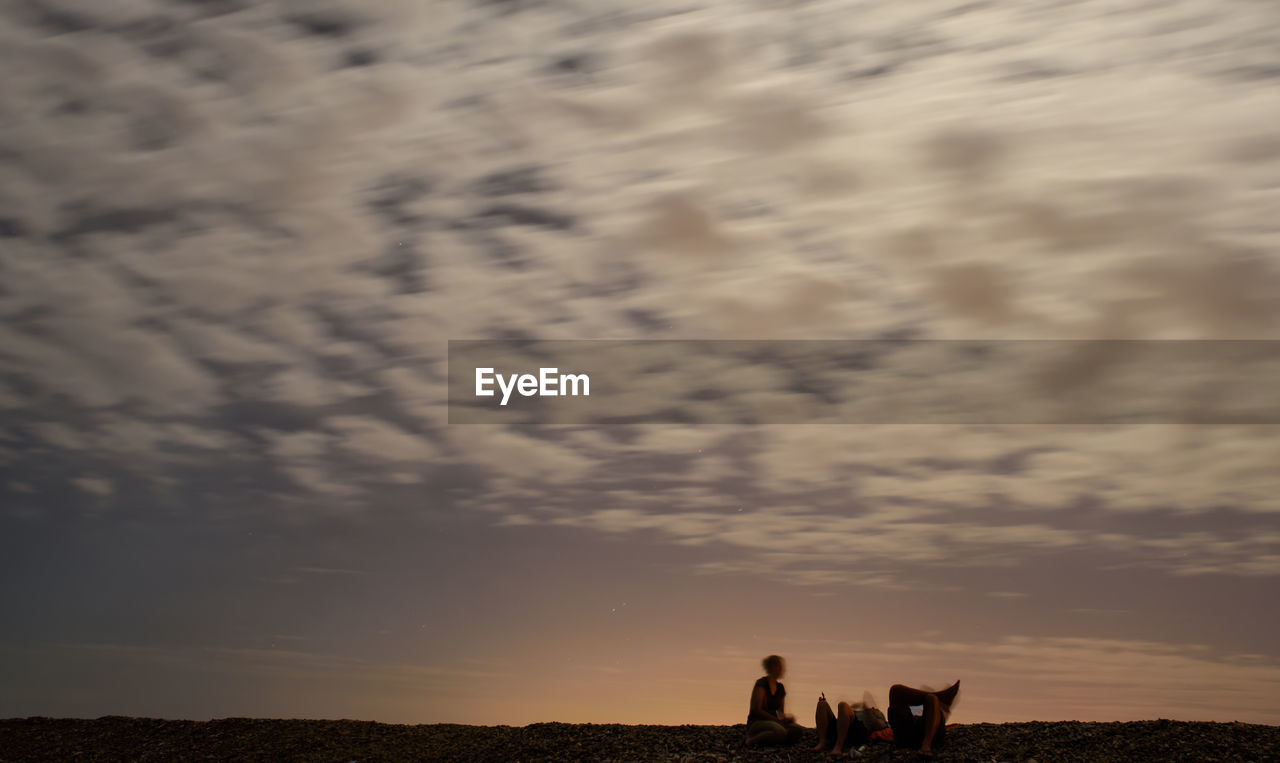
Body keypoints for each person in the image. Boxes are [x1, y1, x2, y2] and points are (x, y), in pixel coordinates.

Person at [885, 680, 960, 757]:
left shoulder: (935, 711)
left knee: (932, 698)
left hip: (931, 733)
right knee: (896, 690)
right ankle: (940, 696)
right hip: (907, 735)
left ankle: (926, 744)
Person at [744, 654, 805, 747]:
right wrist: (776, 720)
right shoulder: (762, 683)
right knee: (779, 731)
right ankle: (753, 740)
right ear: (773, 667)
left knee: (797, 730)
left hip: (775, 722)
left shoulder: (780, 688)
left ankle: (775, 738)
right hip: (758, 722)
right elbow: (757, 710)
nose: (782, 670)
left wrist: (786, 719)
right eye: (780, 666)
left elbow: (780, 712)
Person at [811, 691, 882, 755]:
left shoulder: (876, 713)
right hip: (841, 726)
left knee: (842, 705)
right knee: (822, 704)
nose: (872, 707)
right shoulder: (856, 708)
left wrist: (873, 714)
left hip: (856, 730)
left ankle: (838, 746)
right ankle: (822, 741)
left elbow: (880, 726)